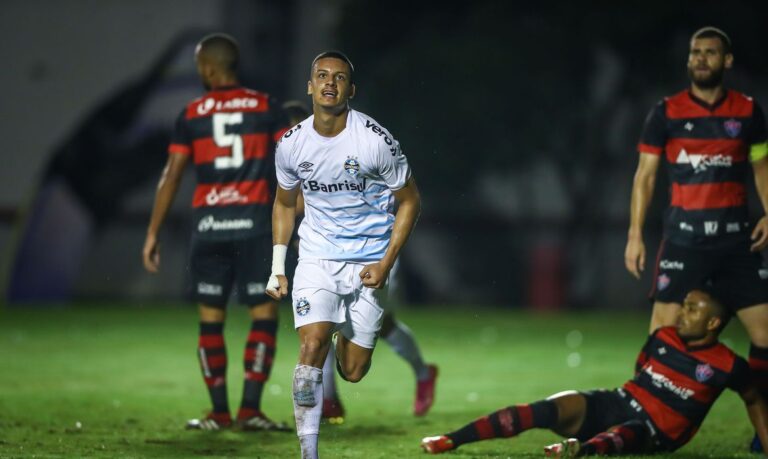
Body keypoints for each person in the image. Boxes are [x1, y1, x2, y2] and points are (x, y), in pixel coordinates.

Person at [266, 51, 421, 458]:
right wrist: (278, 266)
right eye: (321, 75)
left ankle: (338, 330)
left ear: (351, 89)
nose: (329, 82)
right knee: (311, 345)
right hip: (317, 257)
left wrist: (385, 264)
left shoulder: (375, 141)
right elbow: (284, 205)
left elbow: (410, 202)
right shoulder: (291, 144)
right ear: (310, 86)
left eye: (339, 77)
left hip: (369, 261)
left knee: (352, 372)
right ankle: (308, 452)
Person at [623, 27, 768, 450]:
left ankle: (762, 434)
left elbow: (761, 166)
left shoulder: (747, 111)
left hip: (736, 242)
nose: (701, 59)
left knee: (764, 333)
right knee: (660, 335)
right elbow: (645, 177)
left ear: (726, 61)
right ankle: (639, 417)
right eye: (695, 53)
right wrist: (635, 234)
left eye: (710, 53)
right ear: (689, 61)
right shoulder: (666, 112)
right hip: (684, 242)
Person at [142, 33, 290, 431]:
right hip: (255, 227)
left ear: (207, 68)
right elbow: (290, 166)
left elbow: (171, 175)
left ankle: (218, 412)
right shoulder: (265, 107)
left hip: (209, 229)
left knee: (210, 320)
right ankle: (251, 411)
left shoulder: (191, 114)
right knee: (263, 314)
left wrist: (153, 231)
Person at [421, 289, 768, 457]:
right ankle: (453, 438)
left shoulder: (728, 365)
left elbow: (754, 399)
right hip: (621, 401)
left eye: (692, 309)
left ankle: (578, 450)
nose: (682, 311)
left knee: (629, 432)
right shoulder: (663, 338)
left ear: (713, 323)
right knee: (551, 407)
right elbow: (639, 375)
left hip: (656, 432)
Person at [281, 100, 438, 423]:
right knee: (319, 331)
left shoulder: (362, 145)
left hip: (374, 255)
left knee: (385, 327)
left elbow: (403, 198)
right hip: (328, 259)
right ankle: (331, 401)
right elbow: (293, 204)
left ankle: (423, 372)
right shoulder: (296, 153)